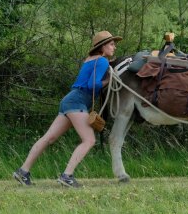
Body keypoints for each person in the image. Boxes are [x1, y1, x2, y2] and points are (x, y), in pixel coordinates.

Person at [13, 30, 122, 187]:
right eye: (112, 44)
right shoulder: (103, 61)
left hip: (69, 100)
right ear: (102, 46)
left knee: (48, 138)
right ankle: (67, 176)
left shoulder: (90, 59)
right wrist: (107, 80)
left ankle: (23, 172)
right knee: (89, 140)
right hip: (77, 102)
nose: (114, 47)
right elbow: (93, 85)